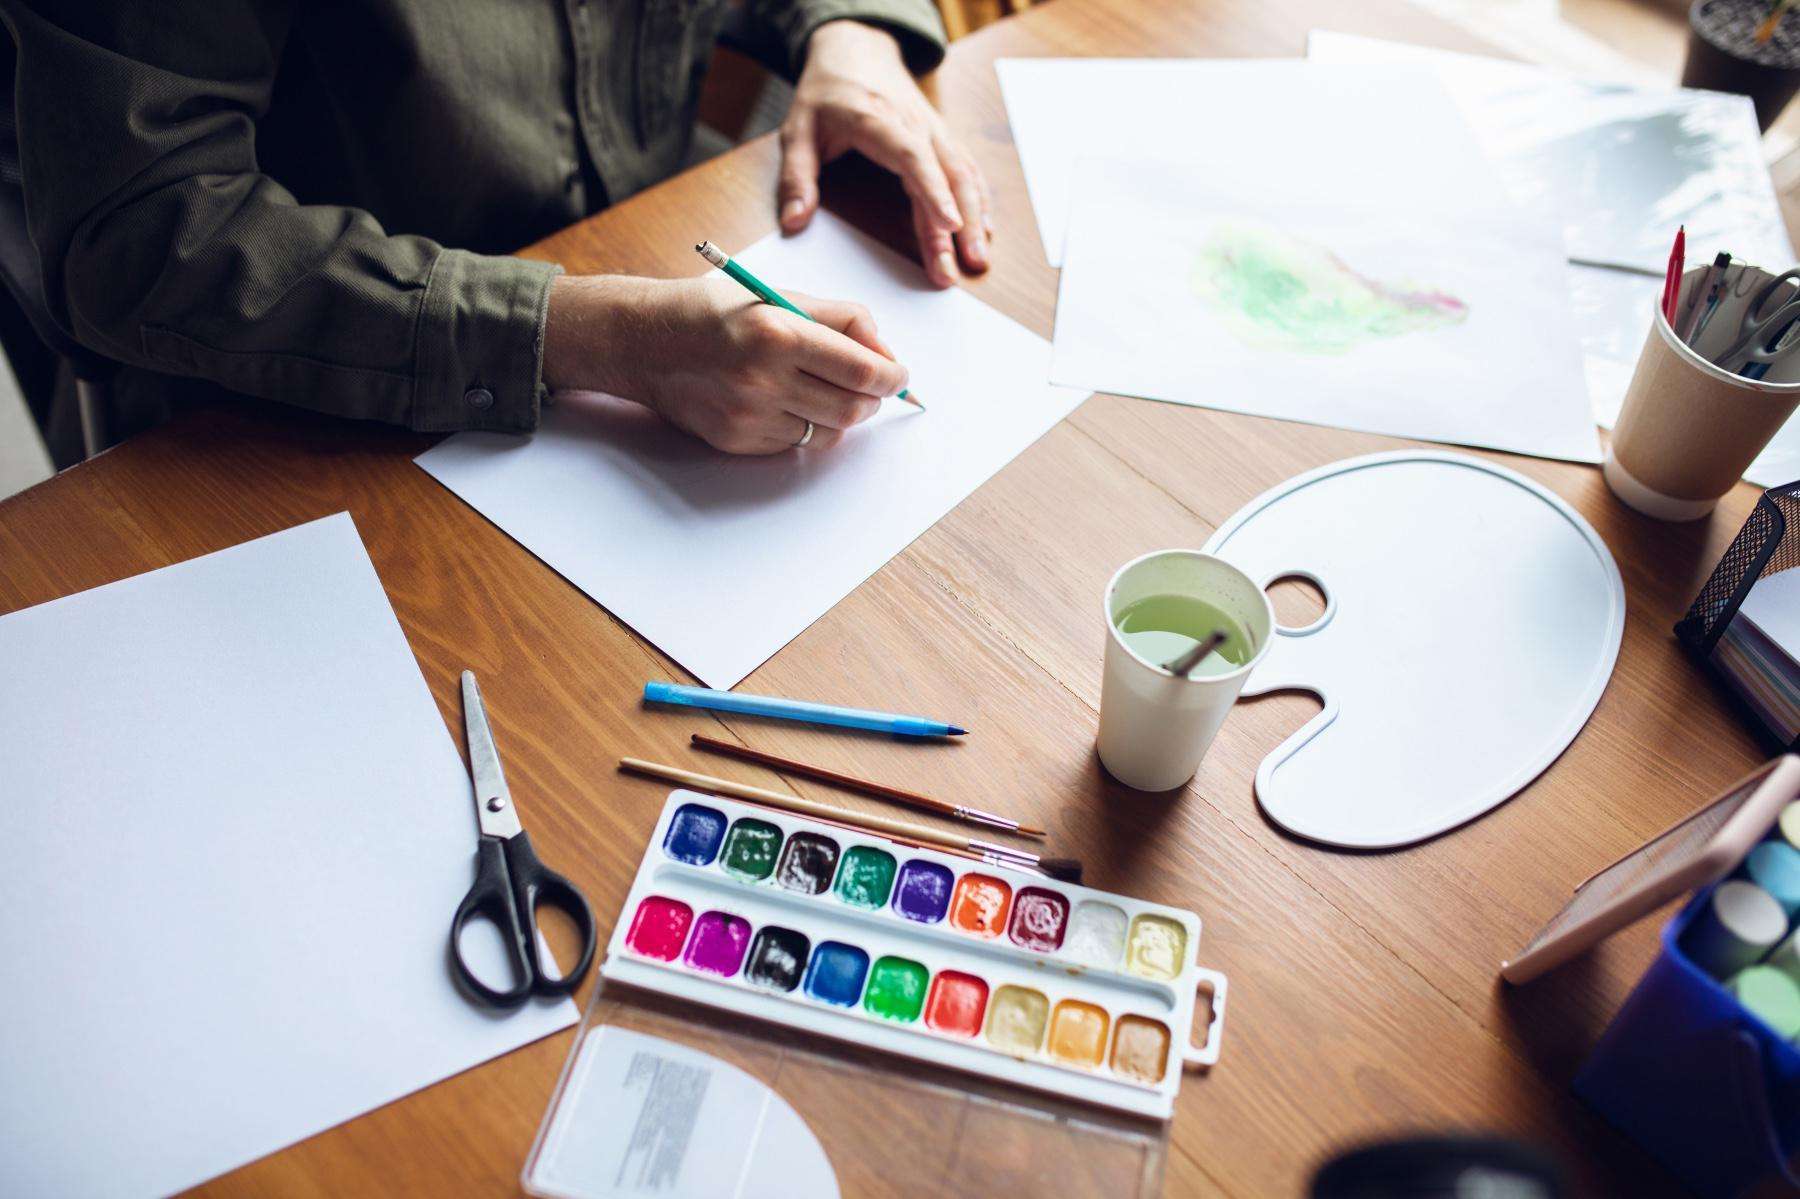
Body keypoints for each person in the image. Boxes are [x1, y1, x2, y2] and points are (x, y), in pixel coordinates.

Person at [2, 0, 992, 459]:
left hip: (649, 299)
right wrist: (599, 334)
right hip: (301, 419)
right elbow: (137, 225)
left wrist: (850, 29)